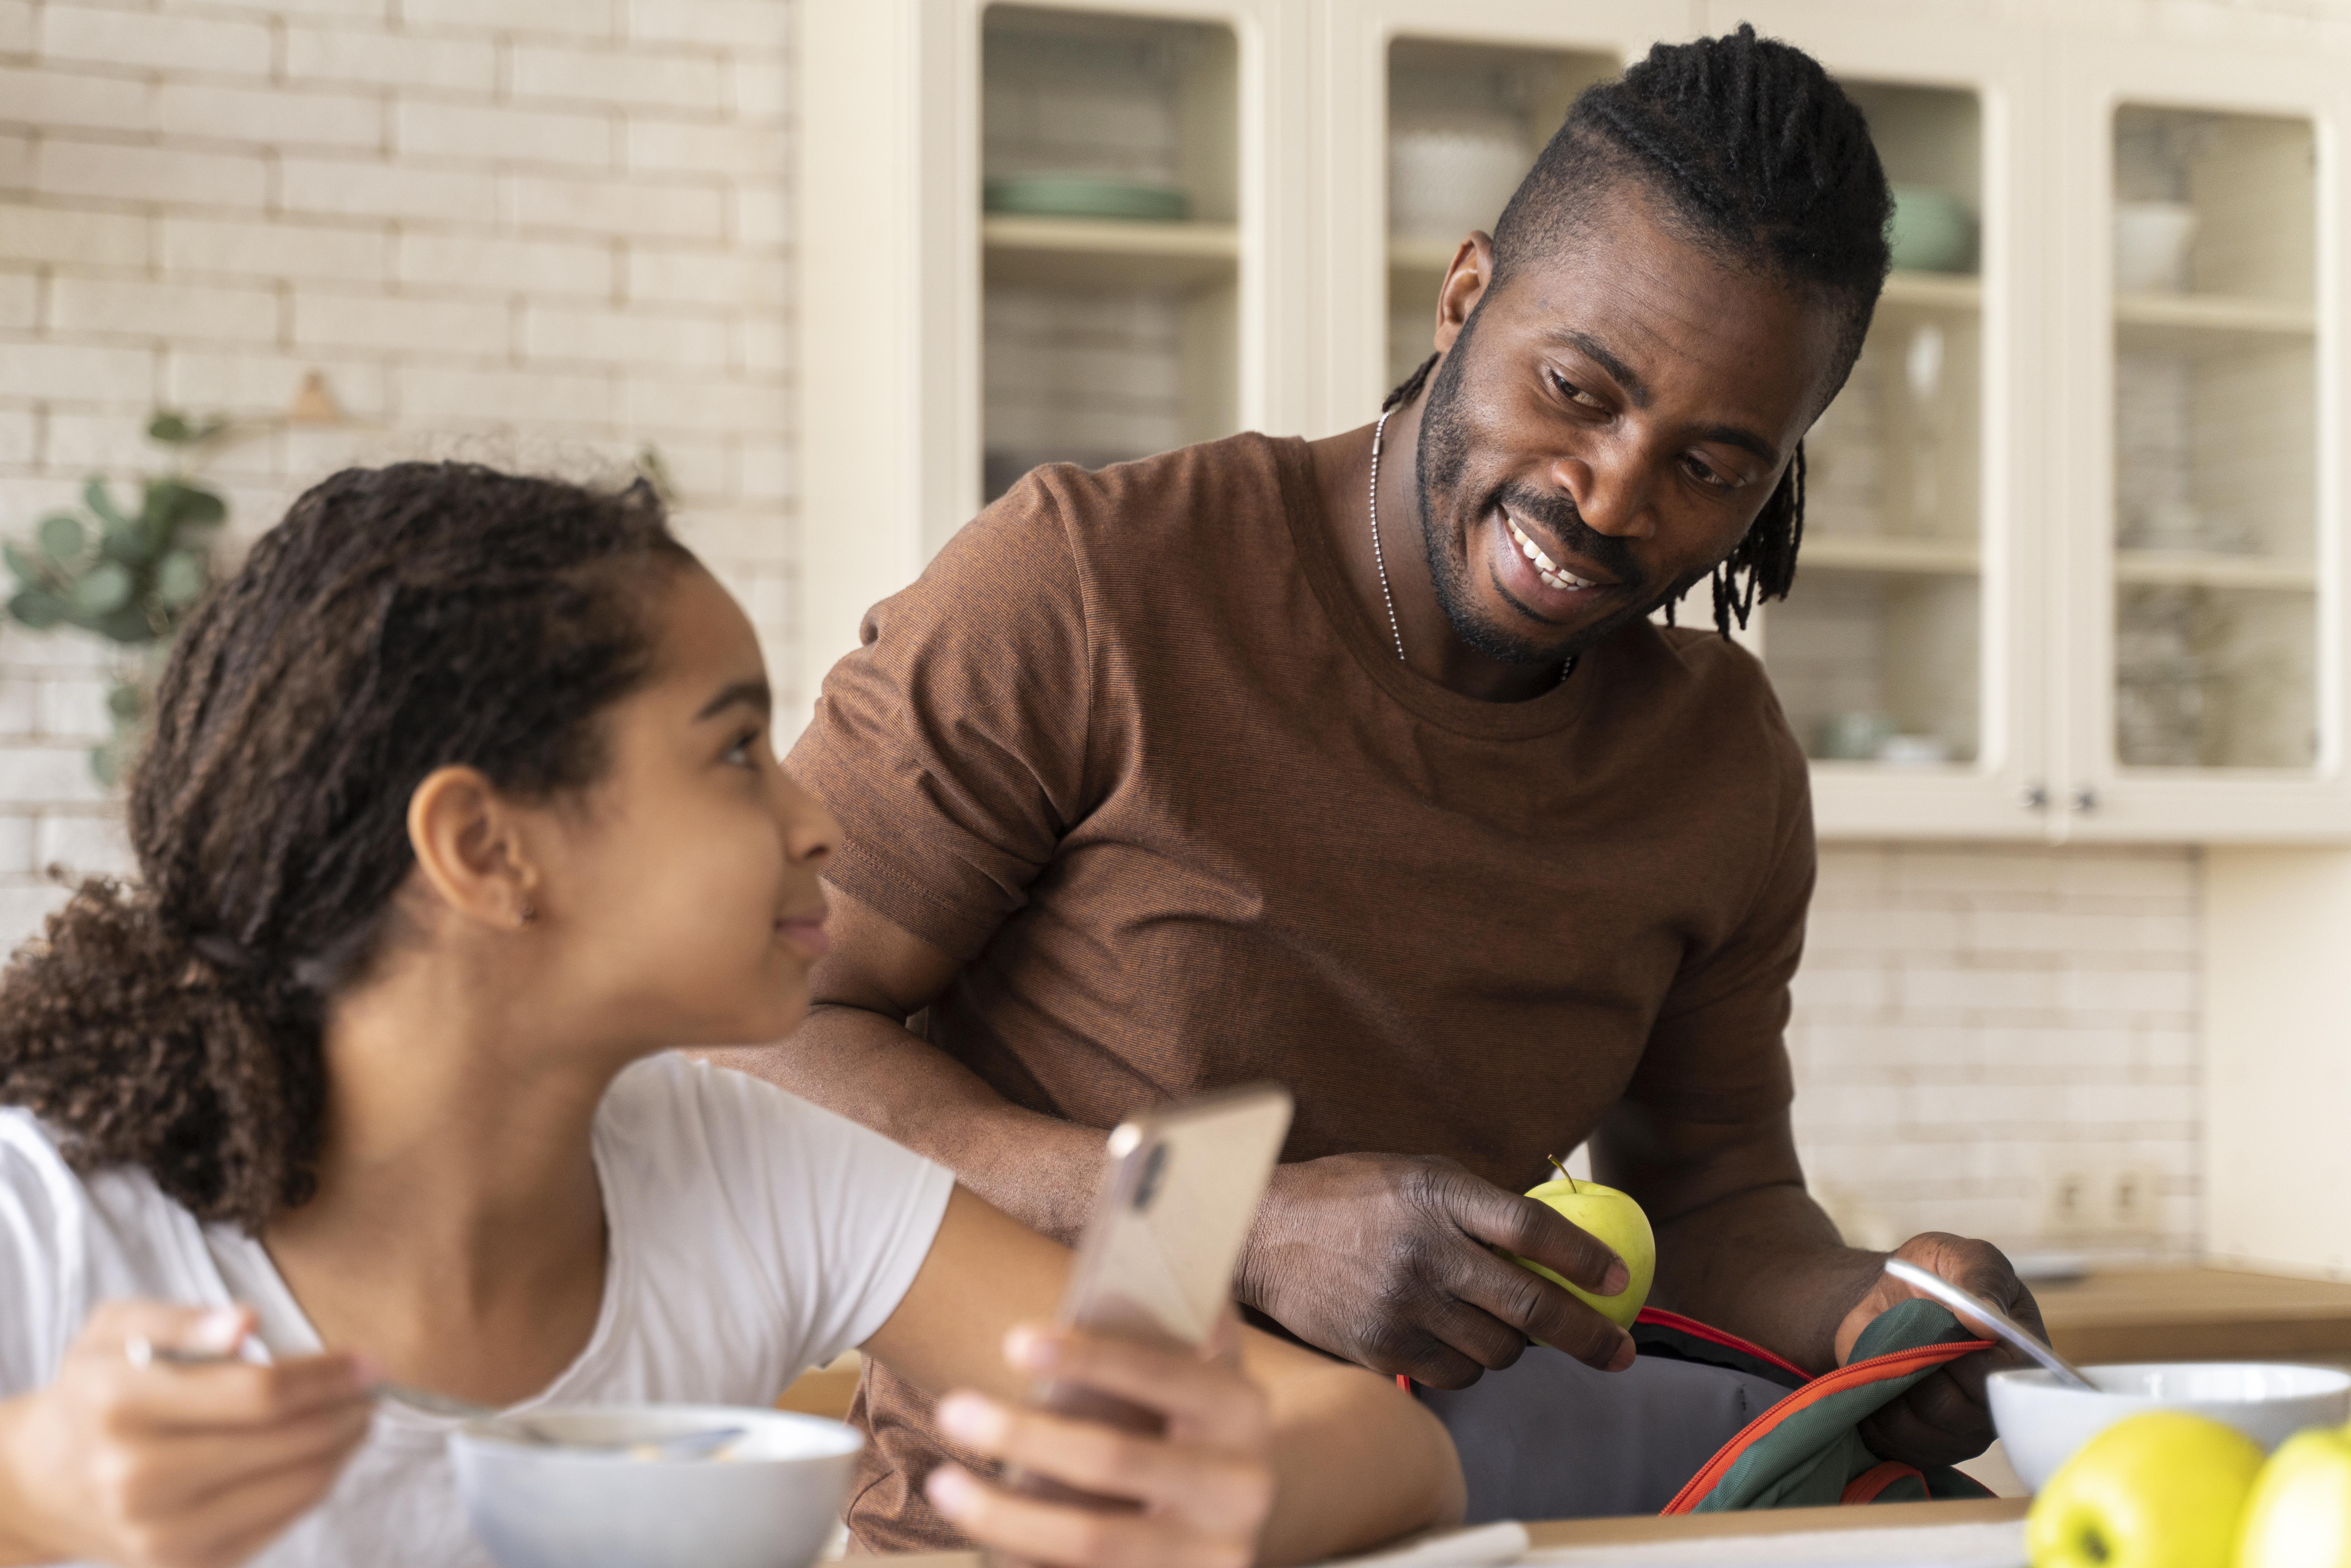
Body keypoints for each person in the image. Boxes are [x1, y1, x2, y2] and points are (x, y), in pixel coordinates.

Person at [736, 26, 2046, 1549]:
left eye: (1714, 465)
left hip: (1447, 1528)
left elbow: (1711, 1207)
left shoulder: (1719, 757)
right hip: (1030, 1533)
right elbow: (751, 1040)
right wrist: (1233, 1215)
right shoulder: (1089, 587)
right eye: (1576, 387)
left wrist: (1882, 1317)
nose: (1610, 495)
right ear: (1466, 291)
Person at [0, 465, 1463, 1568]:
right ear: (488, 848)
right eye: (733, 750)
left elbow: (1390, 1449)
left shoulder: (746, 1166)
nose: (815, 815)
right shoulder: (48, 1216)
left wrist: (1222, 1488)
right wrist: (35, 1493)